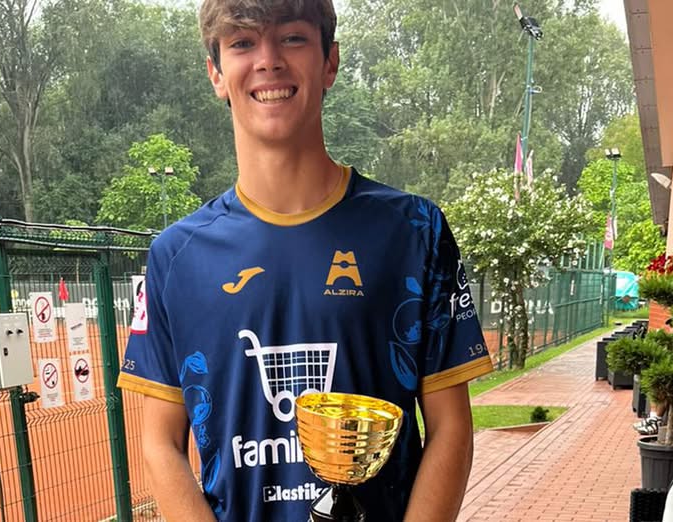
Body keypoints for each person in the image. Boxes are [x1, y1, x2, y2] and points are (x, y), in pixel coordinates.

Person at [116, 1, 493, 520]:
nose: (268, 60)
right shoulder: (175, 256)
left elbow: (451, 427)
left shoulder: (414, 231)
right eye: (243, 43)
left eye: (292, 38)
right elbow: (161, 444)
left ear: (329, 62)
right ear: (216, 73)